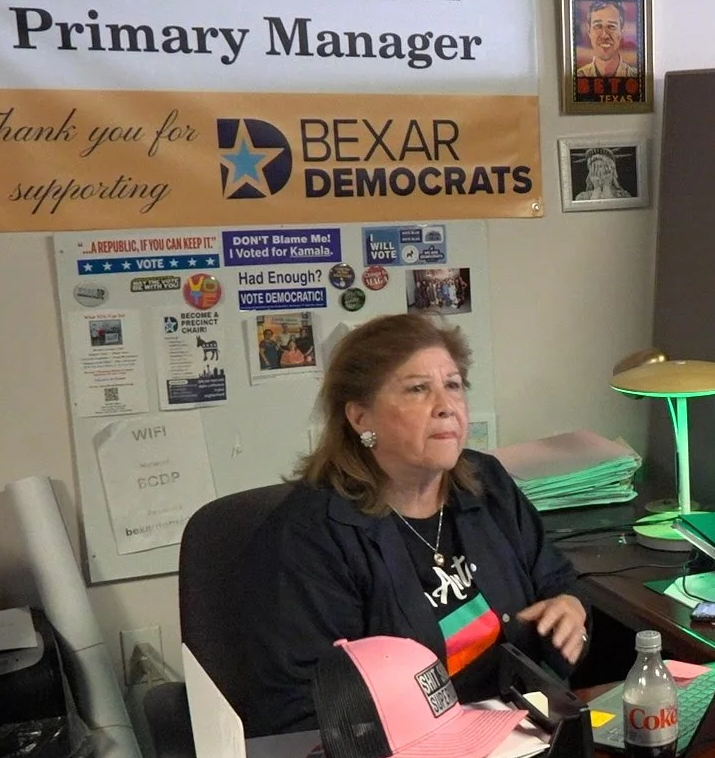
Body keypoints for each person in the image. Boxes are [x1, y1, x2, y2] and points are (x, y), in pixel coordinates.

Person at [239, 313, 588, 735]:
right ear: (360, 418)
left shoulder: (487, 482)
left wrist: (571, 606)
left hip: (524, 736)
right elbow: (304, 709)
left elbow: (556, 580)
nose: (446, 406)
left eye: (453, 385)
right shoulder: (310, 536)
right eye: (418, 389)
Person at [574, 1, 638, 78]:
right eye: (598, 26)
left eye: (611, 26)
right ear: (589, 31)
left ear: (621, 30)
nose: (605, 35)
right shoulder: (578, 77)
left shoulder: (636, 78)